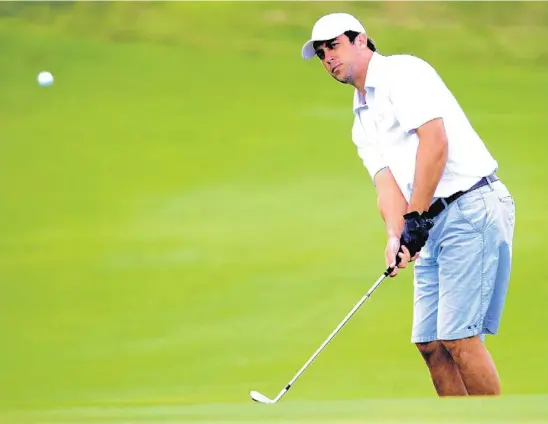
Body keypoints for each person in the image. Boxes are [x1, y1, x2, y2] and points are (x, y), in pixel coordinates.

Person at [301, 12, 516, 396]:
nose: (328, 58)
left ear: (361, 40)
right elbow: (386, 184)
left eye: (333, 46)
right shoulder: (360, 119)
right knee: (430, 344)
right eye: (320, 53)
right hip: (431, 222)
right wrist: (396, 234)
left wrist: (415, 217)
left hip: (471, 206)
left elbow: (435, 143)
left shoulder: (403, 74)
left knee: (458, 338)